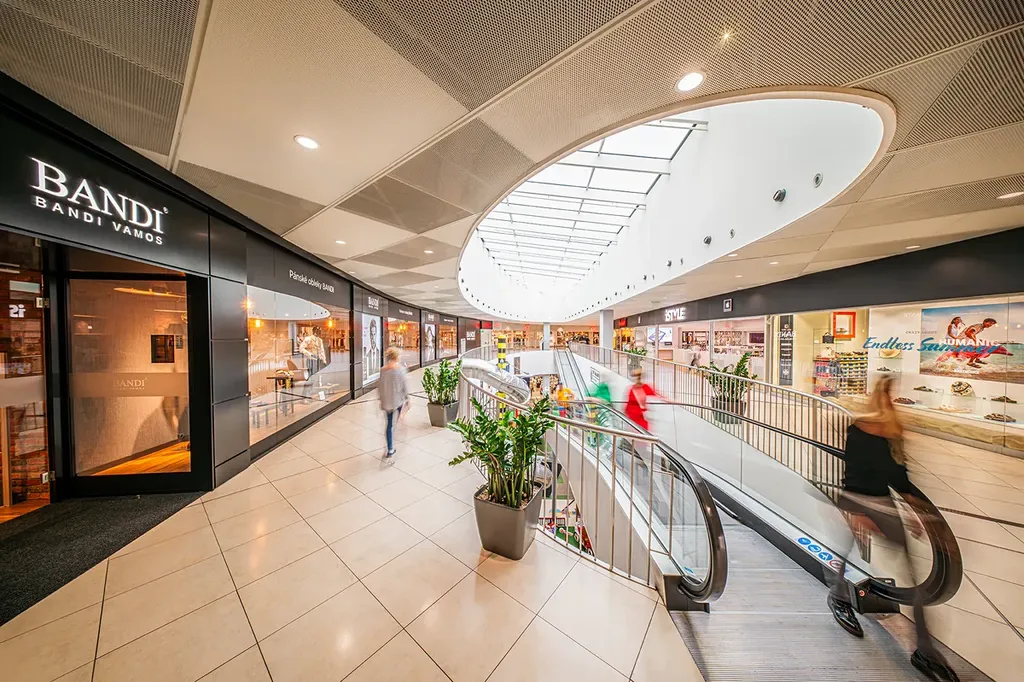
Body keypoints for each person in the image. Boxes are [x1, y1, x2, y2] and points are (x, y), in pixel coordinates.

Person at [827, 375, 960, 682]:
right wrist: (855, 512)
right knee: (846, 552)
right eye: (887, 394)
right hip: (860, 502)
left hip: (885, 506)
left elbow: (900, 478)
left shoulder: (894, 432)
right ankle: (838, 596)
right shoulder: (860, 429)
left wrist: (918, 513)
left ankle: (923, 648)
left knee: (910, 571)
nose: (891, 400)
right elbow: (851, 473)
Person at [378, 346, 408, 458]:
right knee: (397, 420)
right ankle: (399, 423)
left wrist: (381, 399)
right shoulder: (400, 370)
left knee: (389, 424)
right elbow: (404, 386)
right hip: (398, 400)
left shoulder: (383, 370)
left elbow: (380, 386)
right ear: (396, 357)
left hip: (387, 401)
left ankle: (390, 448)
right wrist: (407, 398)